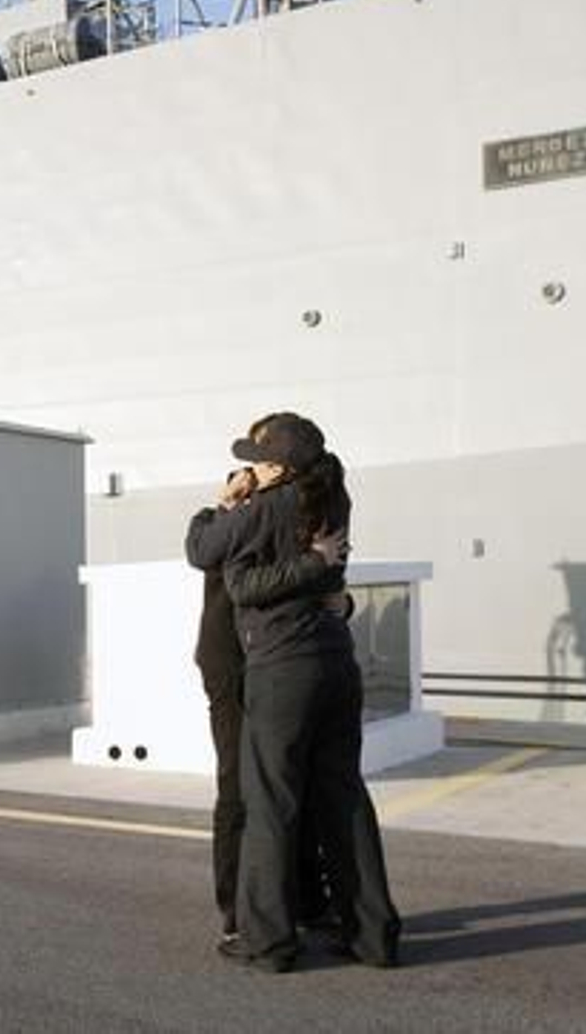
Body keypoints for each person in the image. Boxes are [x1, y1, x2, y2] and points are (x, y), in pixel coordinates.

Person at [186, 413, 401, 973]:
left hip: (283, 668)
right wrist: (321, 573)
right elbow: (330, 577)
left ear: (278, 467)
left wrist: (223, 504)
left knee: (270, 805)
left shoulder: (261, 509)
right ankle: (373, 935)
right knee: (345, 799)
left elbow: (207, 554)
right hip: (337, 663)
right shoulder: (335, 498)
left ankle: (269, 941)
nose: (249, 466)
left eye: (257, 458)